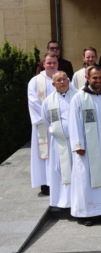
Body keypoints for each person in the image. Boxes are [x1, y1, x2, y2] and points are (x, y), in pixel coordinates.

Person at [68, 66, 101, 226]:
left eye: (100, 78)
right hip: (87, 149)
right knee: (86, 178)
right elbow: (73, 123)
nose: (98, 81)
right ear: (87, 78)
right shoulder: (79, 98)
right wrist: (78, 144)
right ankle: (87, 213)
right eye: (94, 78)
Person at [41, 71, 78, 208]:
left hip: (77, 142)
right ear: (53, 84)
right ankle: (64, 201)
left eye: (64, 79)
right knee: (61, 170)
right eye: (58, 80)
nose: (62, 82)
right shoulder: (48, 101)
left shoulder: (78, 96)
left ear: (69, 81)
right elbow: (46, 121)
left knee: (78, 170)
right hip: (60, 142)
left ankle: (78, 200)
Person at [28, 52, 59, 195]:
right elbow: (33, 102)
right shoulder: (35, 81)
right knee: (45, 153)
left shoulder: (64, 78)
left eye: (54, 63)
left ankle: (59, 181)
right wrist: (48, 117)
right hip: (43, 124)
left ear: (57, 64)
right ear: (43, 64)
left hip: (60, 124)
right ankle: (46, 184)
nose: (52, 65)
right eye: (49, 63)